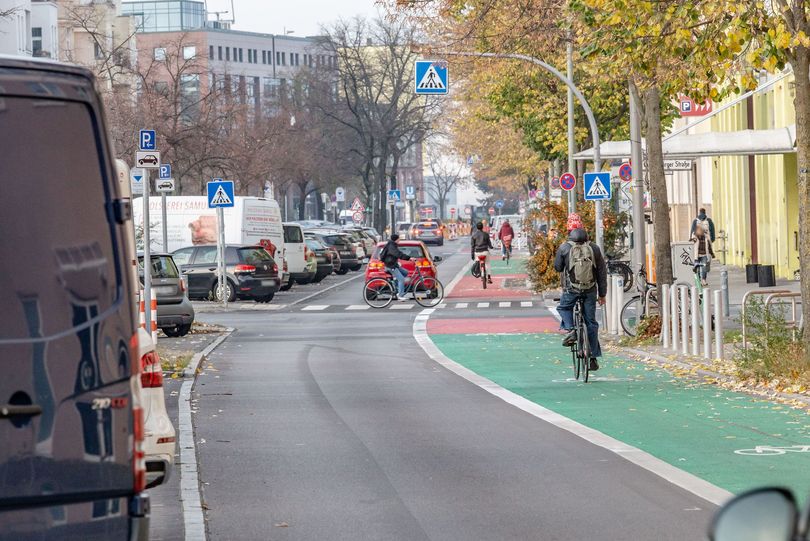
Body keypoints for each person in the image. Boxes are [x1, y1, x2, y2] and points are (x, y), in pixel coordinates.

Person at [554, 222, 608, 372]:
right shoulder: (594, 248)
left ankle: (571, 329)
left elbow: (557, 267)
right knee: (591, 322)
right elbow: (601, 273)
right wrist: (602, 294)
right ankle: (593, 357)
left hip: (572, 289)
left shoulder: (565, 247)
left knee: (563, 307)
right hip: (590, 289)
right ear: (586, 237)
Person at [379, 233, 411, 301]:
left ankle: (396, 286)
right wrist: (409, 258)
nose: (399, 240)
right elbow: (398, 254)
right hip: (390, 265)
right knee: (401, 279)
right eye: (399, 239)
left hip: (394, 264)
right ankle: (400, 295)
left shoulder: (393, 245)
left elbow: (398, 253)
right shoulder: (391, 246)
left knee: (405, 272)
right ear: (396, 239)